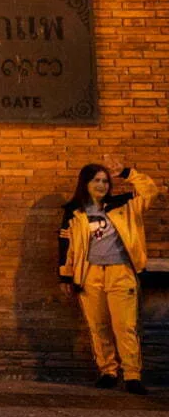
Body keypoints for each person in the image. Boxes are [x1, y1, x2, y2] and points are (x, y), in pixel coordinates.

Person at [58, 162, 157, 394]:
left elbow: (150, 191)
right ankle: (108, 371)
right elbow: (65, 244)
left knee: (125, 326)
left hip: (121, 272)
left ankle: (132, 375)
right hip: (90, 273)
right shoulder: (74, 211)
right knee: (98, 326)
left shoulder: (124, 204)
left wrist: (127, 173)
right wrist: (65, 276)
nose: (101, 185)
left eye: (105, 181)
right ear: (86, 184)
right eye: (96, 181)